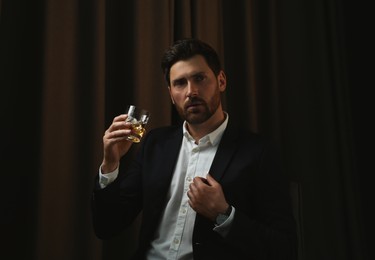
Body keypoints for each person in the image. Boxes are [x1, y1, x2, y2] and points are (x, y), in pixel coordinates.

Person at [91, 38, 297, 260]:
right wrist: (110, 164)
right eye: (180, 83)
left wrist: (223, 215)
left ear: (221, 81)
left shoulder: (259, 152)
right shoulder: (155, 144)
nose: (191, 91)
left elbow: (284, 249)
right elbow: (107, 227)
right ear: (171, 94)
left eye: (199, 78)